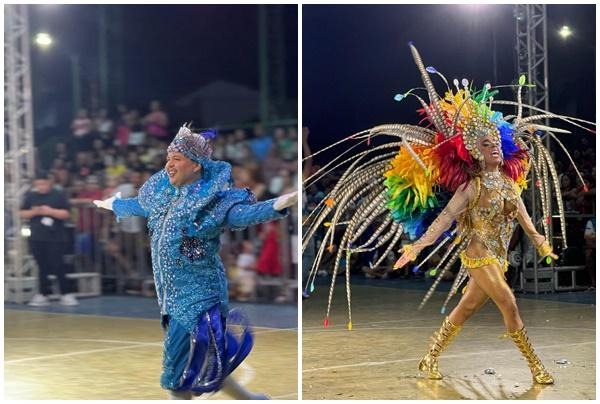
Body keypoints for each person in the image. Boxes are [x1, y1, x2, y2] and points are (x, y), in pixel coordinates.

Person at [302, 44, 594, 386]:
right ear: (473, 151)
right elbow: (443, 221)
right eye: (486, 144)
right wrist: (415, 248)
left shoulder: (510, 185)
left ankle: (430, 357)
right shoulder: (470, 187)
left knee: (467, 308)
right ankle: (536, 367)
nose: (495, 147)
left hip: (499, 256)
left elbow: (525, 220)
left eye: (496, 143)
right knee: (509, 303)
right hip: (477, 253)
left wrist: (541, 243)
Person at [93, 124, 297, 399]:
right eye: (168, 158)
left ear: (196, 165)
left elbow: (242, 216)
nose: (169, 164)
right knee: (207, 358)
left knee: (178, 372)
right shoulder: (161, 196)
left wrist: (279, 204)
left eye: (176, 159)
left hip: (200, 293)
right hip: (171, 295)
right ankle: (251, 399)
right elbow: (135, 206)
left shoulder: (212, 203)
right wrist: (113, 205)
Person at [19, 171, 78, 306]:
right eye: (38, 184)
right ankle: (43, 293)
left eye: (43, 183)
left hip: (55, 237)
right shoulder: (31, 196)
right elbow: (22, 212)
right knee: (41, 266)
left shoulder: (58, 195)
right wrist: (34, 212)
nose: (41, 186)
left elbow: (66, 213)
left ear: (49, 182)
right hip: (36, 236)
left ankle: (66, 293)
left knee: (58, 265)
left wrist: (50, 211)